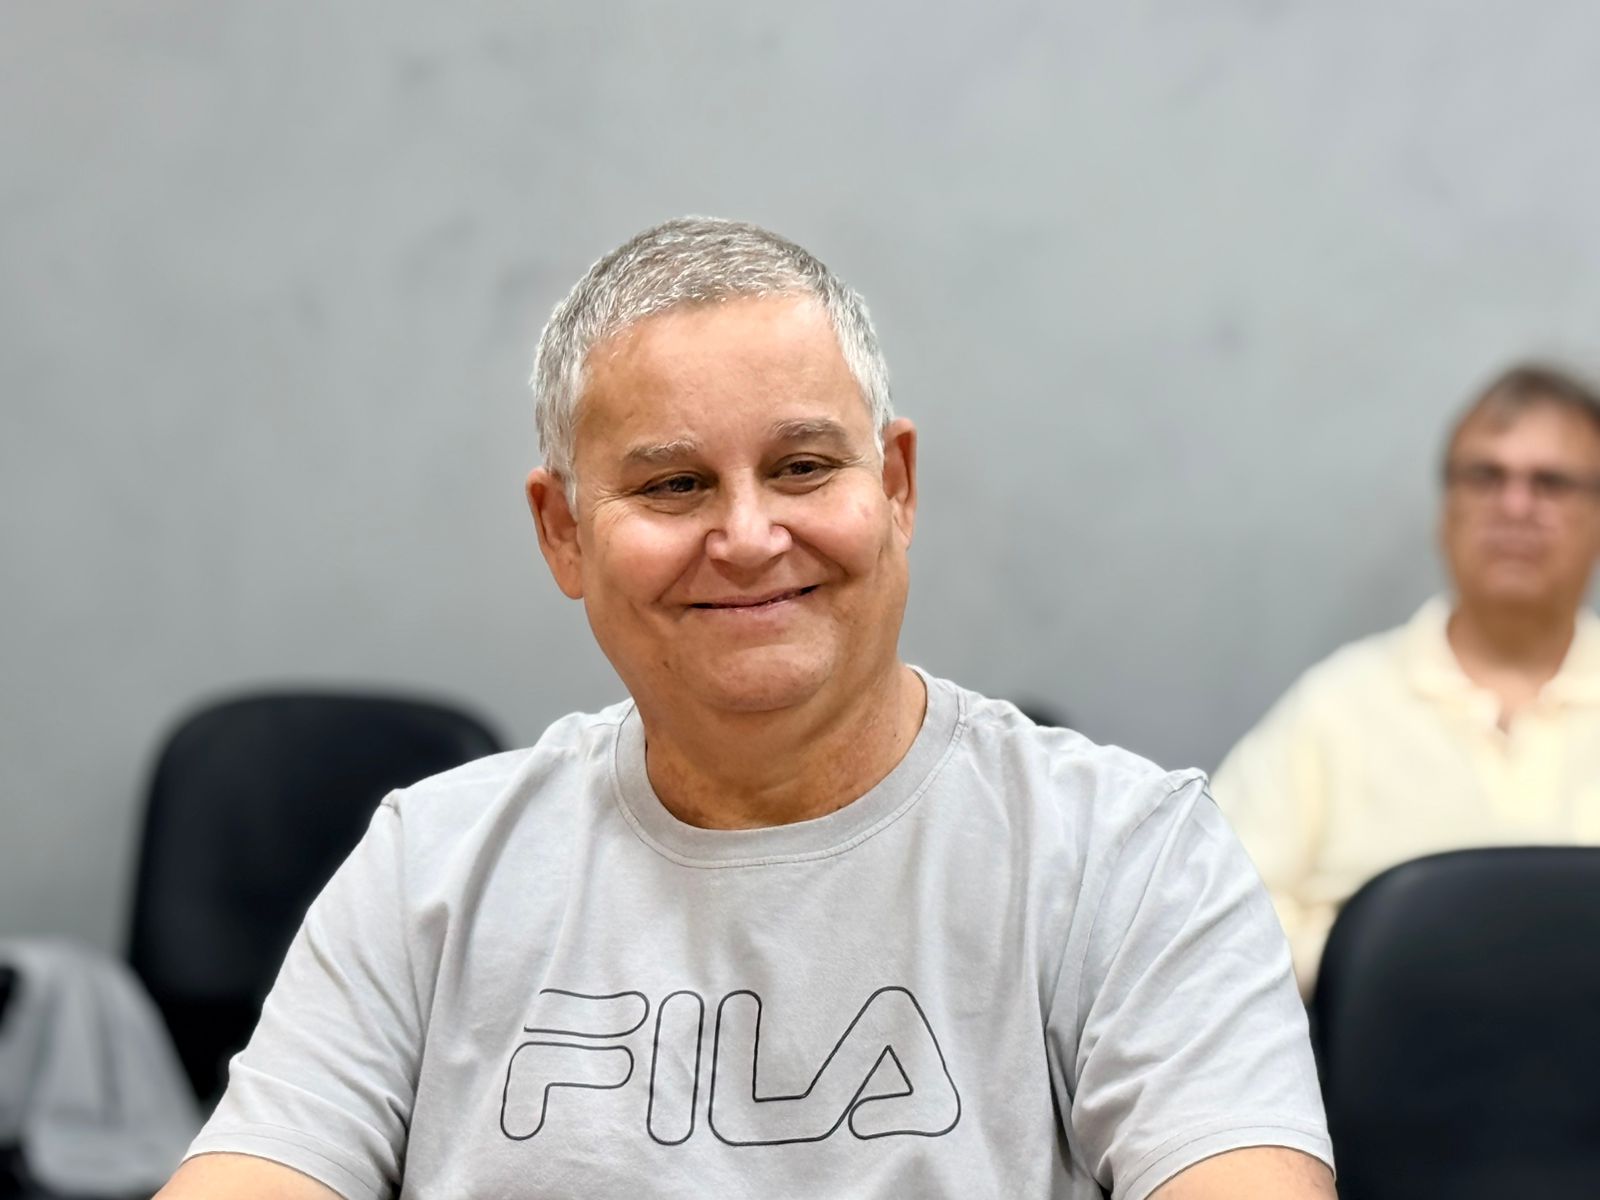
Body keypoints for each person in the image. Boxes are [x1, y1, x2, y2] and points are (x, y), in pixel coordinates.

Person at [158, 218, 1334, 1199]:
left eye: (803, 467)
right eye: (674, 484)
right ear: (563, 532)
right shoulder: (431, 870)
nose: (749, 535)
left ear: (896, 487)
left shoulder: (1130, 859)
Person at [1213, 363, 1600, 994]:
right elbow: (1207, 914)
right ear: (1447, 510)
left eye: (1551, 483)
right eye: (1485, 476)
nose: (1515, 506)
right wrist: (1377, 969)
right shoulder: (1336, 707)